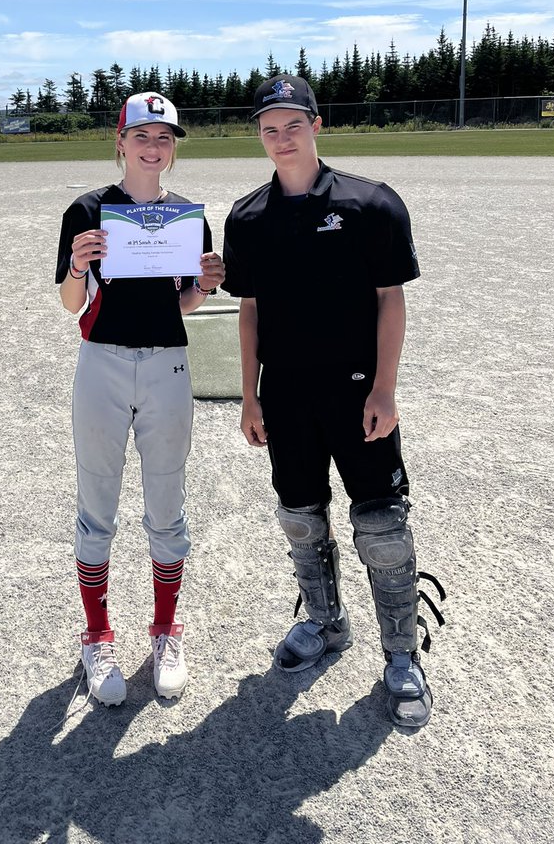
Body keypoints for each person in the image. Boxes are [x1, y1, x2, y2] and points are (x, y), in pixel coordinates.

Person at [221, 75, 445, 729]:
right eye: (269, 127)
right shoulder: (247, 217)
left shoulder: (370, 204)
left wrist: (384, 388)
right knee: (299, 516)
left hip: (355, 391)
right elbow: (249, 314)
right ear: (258, 136)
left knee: (379, 524)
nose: (281, 137)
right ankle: (324, 621)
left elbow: (390, 299)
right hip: (285, 396)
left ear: (317, 126)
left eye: (293, 124)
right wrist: (249, 397)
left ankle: (402, 655)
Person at [56, 92, 225, 706]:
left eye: (165, 139)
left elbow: (183, 303)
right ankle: (97, 634)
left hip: (166, 366)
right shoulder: (89, 210)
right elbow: (73, 305)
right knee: (97, 499)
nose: (154, 148)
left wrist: (206, 285)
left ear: (173, 150)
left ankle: (164, 628)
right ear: (120, 143)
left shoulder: (188, 218)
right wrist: (78, 267)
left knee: (167, 500)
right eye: (142, 137)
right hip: (101, 362)